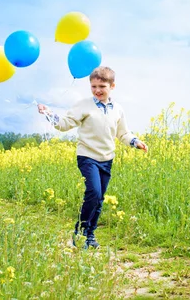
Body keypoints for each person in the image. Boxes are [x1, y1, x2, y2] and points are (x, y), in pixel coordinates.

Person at [37, 66, 148, 249]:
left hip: (107, 158)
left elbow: (123, 133)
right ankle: (80, 233)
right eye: (93, 86)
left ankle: (90, 234)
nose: (97, 90)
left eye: (102, 86)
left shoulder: (118, 109)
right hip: (87, 156)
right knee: (94, 193)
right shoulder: (83, 105)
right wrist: (49, 113)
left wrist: (135, 142)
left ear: (112, 86)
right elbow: (65, 124)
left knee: (99, 198)